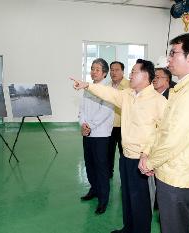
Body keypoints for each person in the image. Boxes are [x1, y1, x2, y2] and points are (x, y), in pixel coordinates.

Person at [72, 59, 167, 233]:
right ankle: (128, 228)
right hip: (126, 156)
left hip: (143, 161)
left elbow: (163, 134)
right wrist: (87, 85)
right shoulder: (128, 95)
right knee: (128, 197)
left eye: (134, 71)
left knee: (141, 201)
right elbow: (108, 93)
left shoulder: (158, 101)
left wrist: (148, 155)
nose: (130, 74)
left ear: (146, 76)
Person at [138, 33, 189, 233]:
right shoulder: (182, 89)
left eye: (174, 53)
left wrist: (150, 161)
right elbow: (164, 129)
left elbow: (174, 139)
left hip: (179, 178)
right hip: (171, 172)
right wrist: (149, 154)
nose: (168, 59)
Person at [78, 58, 114, 215]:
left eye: (97, 69)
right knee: (89, 163)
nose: (93, 71)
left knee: (101, 167)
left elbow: (105, 112)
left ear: (105, 73)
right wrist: (83, 124)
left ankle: (103, 199)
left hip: (101, 135)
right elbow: (82, 109)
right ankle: (94, 189)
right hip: (87, 133)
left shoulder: (108, 89)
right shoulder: (88, 88)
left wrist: (90, 126)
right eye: (92, 68)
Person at [108, 61, 130, 178]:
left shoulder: (130, 86)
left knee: (124, 154)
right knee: (108, 153)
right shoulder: (107, 87)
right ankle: (108, 174)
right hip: (109, 126)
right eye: (112, 70)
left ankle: (125, 178)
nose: (113, 72)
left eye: (117, 70)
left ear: (122, 71)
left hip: (124, 126)